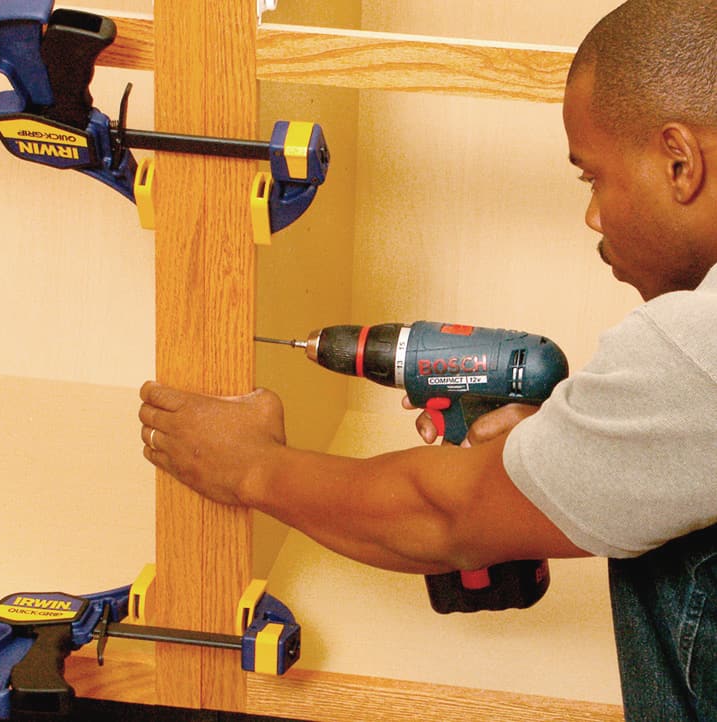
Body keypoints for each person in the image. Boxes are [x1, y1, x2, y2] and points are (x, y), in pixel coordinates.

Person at [138, 1, 717, 718]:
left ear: (679, 161)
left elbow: (444, 518)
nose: (592, 217)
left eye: (591, 178)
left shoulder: (695, 349)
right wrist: (569, 457)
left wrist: (250, 465)